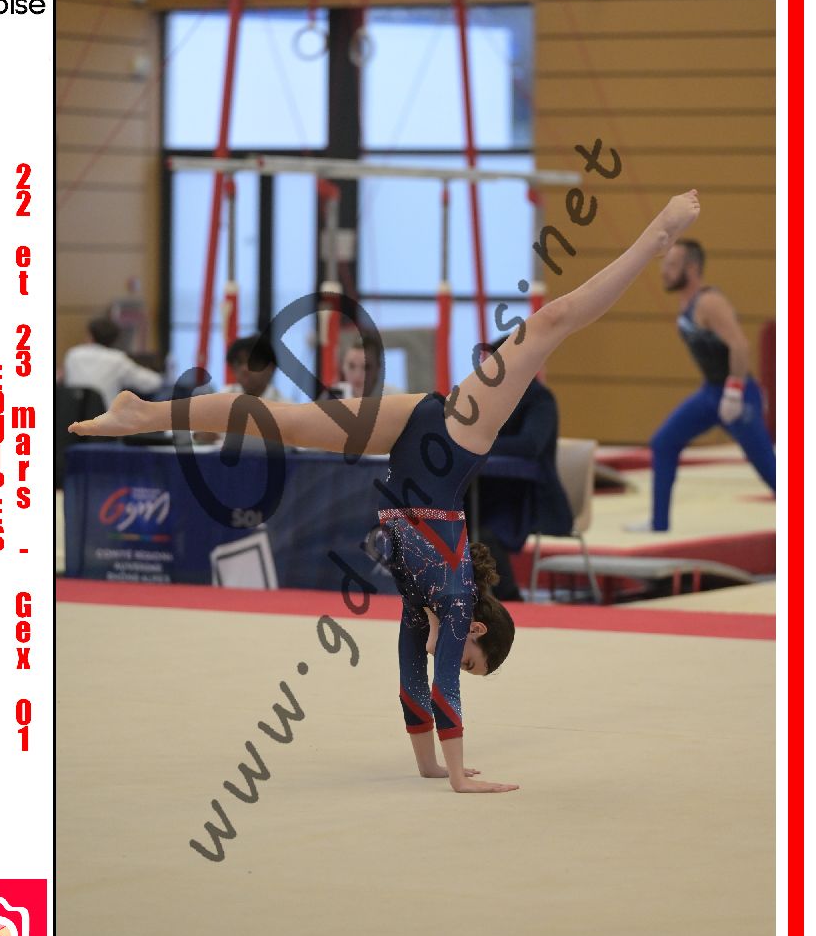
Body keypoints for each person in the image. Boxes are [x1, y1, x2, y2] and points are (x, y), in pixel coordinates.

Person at [70, 191, 702, 793]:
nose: (459, 662)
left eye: (468, 665)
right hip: (456, 438)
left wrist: (430, 767)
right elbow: (444, 684)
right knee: (550, 323)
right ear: (476, 627)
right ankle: (658, 234)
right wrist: (461, 775)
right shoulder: (454, 601)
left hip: (412, 437)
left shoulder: (421, 604)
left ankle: (145, 413)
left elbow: (411, 680)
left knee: (280, 422)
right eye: (473, 659)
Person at [627, 238, 776, 532]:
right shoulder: (685, 303)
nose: (664, 271)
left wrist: (734, 392)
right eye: (664, 264)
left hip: (737, 394)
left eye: (672, 265)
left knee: (767, 467)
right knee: (664, 442)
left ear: (692, 269)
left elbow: (740, 346)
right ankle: (659, 522)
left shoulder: (709, 302)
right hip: (710, 393)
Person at [467, 352, 573, 600]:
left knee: (484, 535)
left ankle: (511, 598)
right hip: (488, 489)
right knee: (448, 524)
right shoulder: (485, 399)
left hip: (528, 495)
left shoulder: (539, 399)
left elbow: (530, 444)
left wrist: (481, 443)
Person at [63, 316, 164, 408]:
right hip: (106, 418)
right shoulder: (117, 359)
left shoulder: (72, 354)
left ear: (90, 336)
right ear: (115, 339)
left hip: (72, 417)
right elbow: (151, 383)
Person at [220, 335, 285, 402]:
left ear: (271, 368)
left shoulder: (284, 405)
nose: (244, 369)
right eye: (239, 363)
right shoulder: (223, 397)